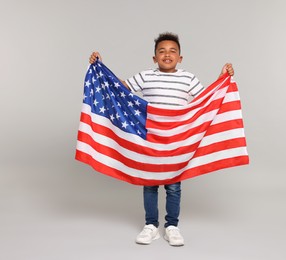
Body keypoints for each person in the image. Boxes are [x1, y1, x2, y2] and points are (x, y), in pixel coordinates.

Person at [89, 32, 234, 246]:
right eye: (162, 51)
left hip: (177, 141)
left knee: (174, 185)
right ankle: (151, 225)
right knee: (150, 184)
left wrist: (222, 78)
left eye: (172, 51)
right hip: (150, 140)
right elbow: (122, 87)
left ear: (180, 58)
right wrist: (101, 68)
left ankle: (172, 226)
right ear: (154, 58)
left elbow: (207, 99)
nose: (167, 54)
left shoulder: (188, 78)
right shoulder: (147, 76)